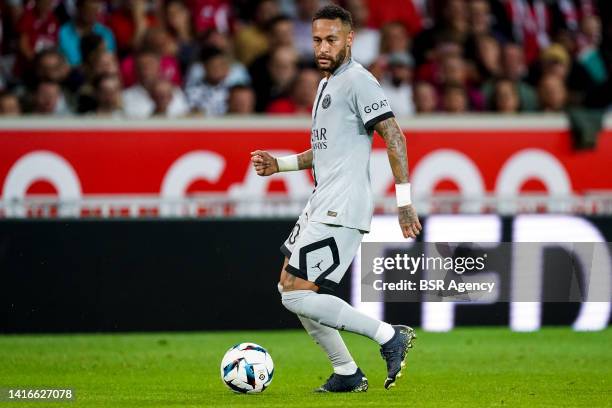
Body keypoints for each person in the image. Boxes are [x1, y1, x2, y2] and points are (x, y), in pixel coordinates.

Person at [250, 4, 420, 393]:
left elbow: (394, 135)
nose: (322, 47)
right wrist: (281, 165)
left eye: (331, 39)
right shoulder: (327, 84)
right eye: (316, 40)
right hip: (320, 200)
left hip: (342, 206)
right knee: (289, 288)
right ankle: (346, 372)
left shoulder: (359, 81)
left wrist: (404, 200)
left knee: (295, 294)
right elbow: (324, 150)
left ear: (349, 39)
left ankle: (388, 336)